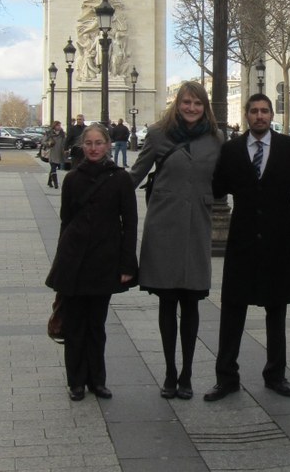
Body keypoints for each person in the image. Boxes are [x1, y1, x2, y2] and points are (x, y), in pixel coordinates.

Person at [204, 93, 290, 402]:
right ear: (246, 115)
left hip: (278, 242)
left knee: (277, 313)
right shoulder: (231, 150)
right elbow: (217, 187)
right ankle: (226, 377)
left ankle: (276, 375)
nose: (259, 116)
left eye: (264, 111)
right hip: (242, 242)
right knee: (232, 312)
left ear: (271, 115)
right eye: (254, 111)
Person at [129, 81, 222, 400]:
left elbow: (228, 178)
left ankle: (187, 374)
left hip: (197, 226)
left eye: (197, 103)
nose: (192, 108)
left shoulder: (216, 138)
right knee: (167, 300)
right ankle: (170, 371)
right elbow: (135, 176)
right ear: (177, 103)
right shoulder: (157, 134)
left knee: (192, 301)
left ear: (205, 105)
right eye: (186, 102)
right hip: (164, 226)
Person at [46, 123, 138, 401]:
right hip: (74, 260)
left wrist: (127, 265)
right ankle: (75, 381)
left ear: (108, 145)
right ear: (82, 147)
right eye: (89, 144)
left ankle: (97, 380)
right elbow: (66, 221)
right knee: (74, 325)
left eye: (99, 143)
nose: (94, 148)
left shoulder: (121, 179)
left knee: (96, 325)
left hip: (104, 260)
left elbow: (130, 223)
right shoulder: (72, 179)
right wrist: (61, 262)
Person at [43, 120, 66, 188]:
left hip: (59, 153)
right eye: (57, 125)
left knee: (53, 168)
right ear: (54, 126)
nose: (59, 127)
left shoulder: (62, 134)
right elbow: (43, 141)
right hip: (51, 153)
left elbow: (65, 143)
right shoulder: (49, 133)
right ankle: (56, 184)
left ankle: (49, 182)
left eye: (60, 125)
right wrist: (48, 143)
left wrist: (65, 149)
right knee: (53, 168)